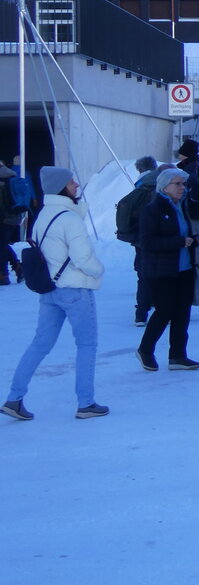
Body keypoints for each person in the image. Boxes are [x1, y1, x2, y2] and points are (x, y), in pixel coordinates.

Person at [2, 166, 108, 421]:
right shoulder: (70, 219)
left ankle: (14, 398)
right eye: (71, 183)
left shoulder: (43, 215)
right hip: (75, 290)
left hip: (50, 290)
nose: (76, 186)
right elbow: (83, 258)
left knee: (40, 344)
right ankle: (86, 403)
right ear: (62, 188)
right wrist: (99, 270)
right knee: (87, 345)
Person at [136, 168, 199, 372]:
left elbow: (182, 234)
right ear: (164, 187)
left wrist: (194, 240)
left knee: (182, 312)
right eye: (177, 184)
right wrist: (179, 241)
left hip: (184, 268)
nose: (182, 188)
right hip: (161, 270)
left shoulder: (181, 206)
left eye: (183, 184)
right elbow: (147, 242)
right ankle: (145, 350)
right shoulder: (152, 209)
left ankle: (177, 355)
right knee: (164, 311)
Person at [124, 156, 160, 325]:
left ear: (140, 169)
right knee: (162, 274)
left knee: (143, 275)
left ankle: (140, 314)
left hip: (140, 236)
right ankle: (162, 309)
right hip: (160, 235)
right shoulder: (162, 181)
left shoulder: (140, 184)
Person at [174, 138, 199, 282]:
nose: (178, 155)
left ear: (186, 154)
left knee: (195, 250)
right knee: (197, 247)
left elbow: (194, 189)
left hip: (194, 215)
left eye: (181, 153)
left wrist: (197, 200)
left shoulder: (190, 169)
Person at [0, 158, 25, 285]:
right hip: (14, 216)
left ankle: (3, 275)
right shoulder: (10, 174)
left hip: (4, 217)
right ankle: (17, 267)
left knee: (1, 245)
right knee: (2, 244)